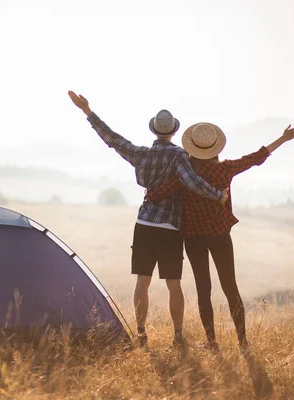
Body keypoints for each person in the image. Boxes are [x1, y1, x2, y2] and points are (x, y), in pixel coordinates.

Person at [68, 91, 228, 349]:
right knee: (173, 285)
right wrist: (217, 194)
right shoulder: (179, 156)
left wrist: (87, 111)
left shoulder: (140, 154)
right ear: (174, 132)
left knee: (142, 282)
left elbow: (113, 139)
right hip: (170, 227)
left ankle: (141, 334)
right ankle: (177, 337)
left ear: (154, 130)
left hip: (144, 224)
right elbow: (192, 182)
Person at [146, 122, 294, 352]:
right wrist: (282, 138)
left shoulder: (185, 175)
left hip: (193, 238)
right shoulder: (225, 169)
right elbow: (255, 158)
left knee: (203, 289)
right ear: (215, 148)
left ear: (192, 148)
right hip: (220, 235)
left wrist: (150, 193)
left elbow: (159, 194)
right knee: (231, 287)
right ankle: (242, 341)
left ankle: (211, 342)